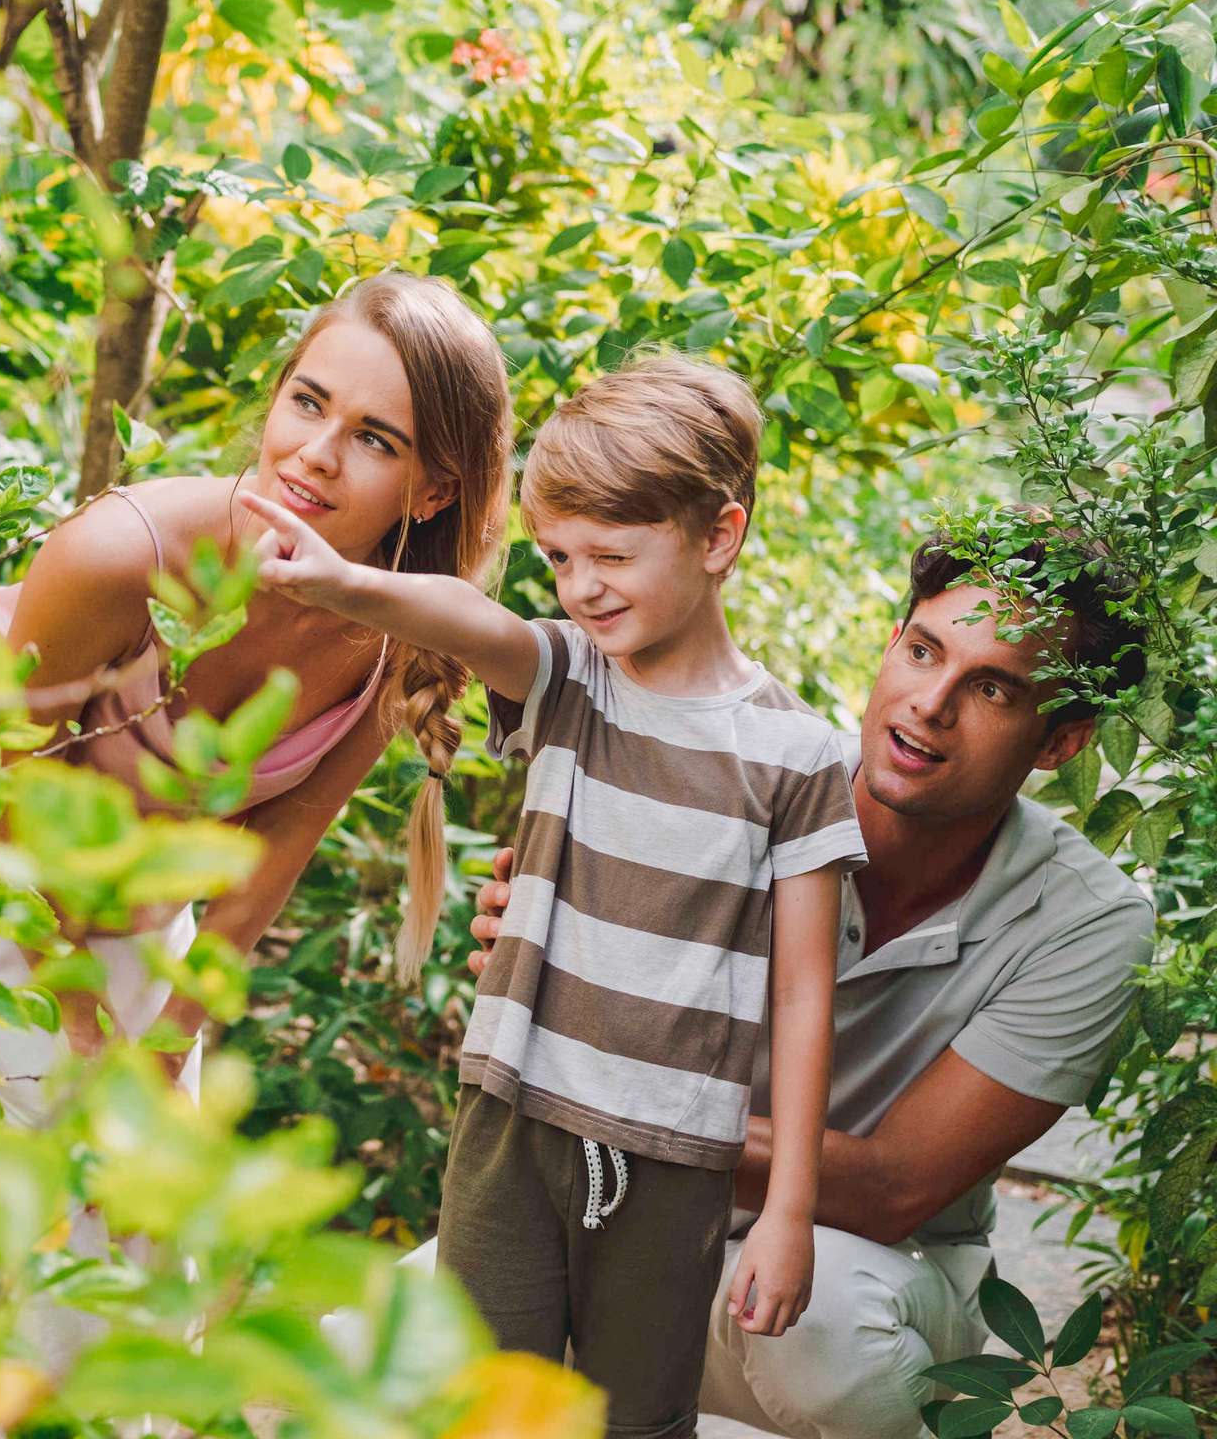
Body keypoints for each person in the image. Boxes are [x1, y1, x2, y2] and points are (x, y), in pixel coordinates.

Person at [245, 352, 866, 1438]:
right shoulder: (568, 679)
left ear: (717, 537)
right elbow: (463, 616)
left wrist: (788, 1210)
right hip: (510, 1123)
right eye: (558, 556)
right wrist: (342, 583)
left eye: (611, 557)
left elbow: (803, 995)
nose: (580, 587)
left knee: (636, 1417)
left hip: (673, 1162)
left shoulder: (796, 755)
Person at [461, 523, 1154, 1439]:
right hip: (628, 1208)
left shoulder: (1090, 919)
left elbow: (894, 1188)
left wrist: (584, 1072)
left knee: (827, 1336)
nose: (928, 707)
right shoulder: (741, 774)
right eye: (921, 651)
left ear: (1062, 742)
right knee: (389, 1343)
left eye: (991, 688)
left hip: (867, 1271)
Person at [0, 270, 513, 1122]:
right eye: (309, 403)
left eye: (376, 440)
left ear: (433, 492)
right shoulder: (119, 555)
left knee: (146, 1205)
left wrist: (166, 1053)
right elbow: (1, 800)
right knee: (45, 1147)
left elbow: (273, 858)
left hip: (128, 907)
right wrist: (83, 1027)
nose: (317, 453)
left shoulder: (395, 638)